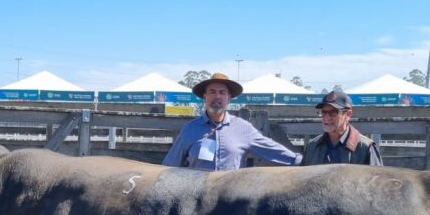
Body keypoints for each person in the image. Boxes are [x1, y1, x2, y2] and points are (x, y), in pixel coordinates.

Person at [162, 72, 302, 170]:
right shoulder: (190, 129)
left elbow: (272, 150)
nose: (217, 96)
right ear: (205, 97)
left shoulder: (243, 128)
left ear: (229, 98)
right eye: (212, 92)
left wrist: (300, 161)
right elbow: (169, 167)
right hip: (196, 202)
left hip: (229, 203)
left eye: (222, 92)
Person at [301, 90, 382, 166]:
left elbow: (377, 179)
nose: (327, 117)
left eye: (333, 112)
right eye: (323, 112)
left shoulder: (366, 148)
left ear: (348, 114)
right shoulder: (312, 147)